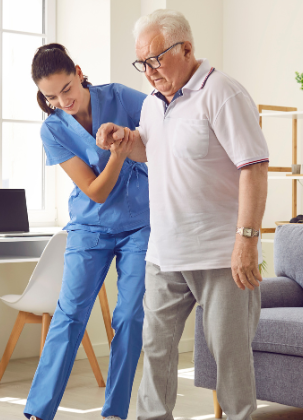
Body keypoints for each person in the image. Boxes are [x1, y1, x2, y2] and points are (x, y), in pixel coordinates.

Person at [96, 10, 269, 420]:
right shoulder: (153, 105)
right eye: (142, 63)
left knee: (230, 360)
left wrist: (246, 240)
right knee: (155, 351)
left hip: (221, 257)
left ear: (186, 48)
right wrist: (126, 139)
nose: (149, 71)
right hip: (165, 254)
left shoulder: (222, 93)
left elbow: (255, 166)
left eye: (155, 60)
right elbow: (151, 149)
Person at [24, 43, 150, 420]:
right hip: (90, 227)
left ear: (79, 72)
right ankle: (37, 412)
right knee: (70, 315)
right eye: (50, 96)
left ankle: (114, 412)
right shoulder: (53, 129)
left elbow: (165, 118)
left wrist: (132, 140)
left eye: (67, 89)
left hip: (140, 224)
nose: (63, 101)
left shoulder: (118, 96)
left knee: (129, 316)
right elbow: (95, 190)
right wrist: (119, 153)